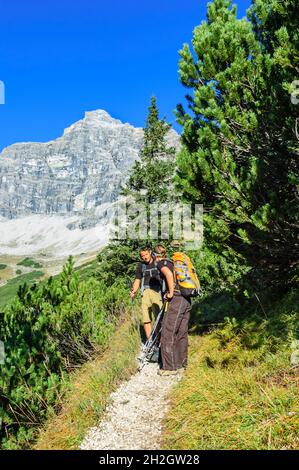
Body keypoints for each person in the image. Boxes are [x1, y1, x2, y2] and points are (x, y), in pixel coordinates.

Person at [154, 244, 192, 377]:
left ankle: (169, 367)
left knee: (168, 331)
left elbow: (169, 275)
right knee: (181, 332)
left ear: (155, 255)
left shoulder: (161, 263)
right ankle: (181, 364)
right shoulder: (172, 262)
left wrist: (170, 293)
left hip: (176, 297)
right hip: (186, 298)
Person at [130, 246, 163, 339]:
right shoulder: (141, 266)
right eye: (142, 256)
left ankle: (160, 340)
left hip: (157, 291)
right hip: (145, 293)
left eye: (146, 254)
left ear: (150, 252)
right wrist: (134, 291)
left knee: (159, 318)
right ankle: (150, 341)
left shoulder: (158, 262)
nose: (144, 257)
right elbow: (137, 279)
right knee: (146, 319)